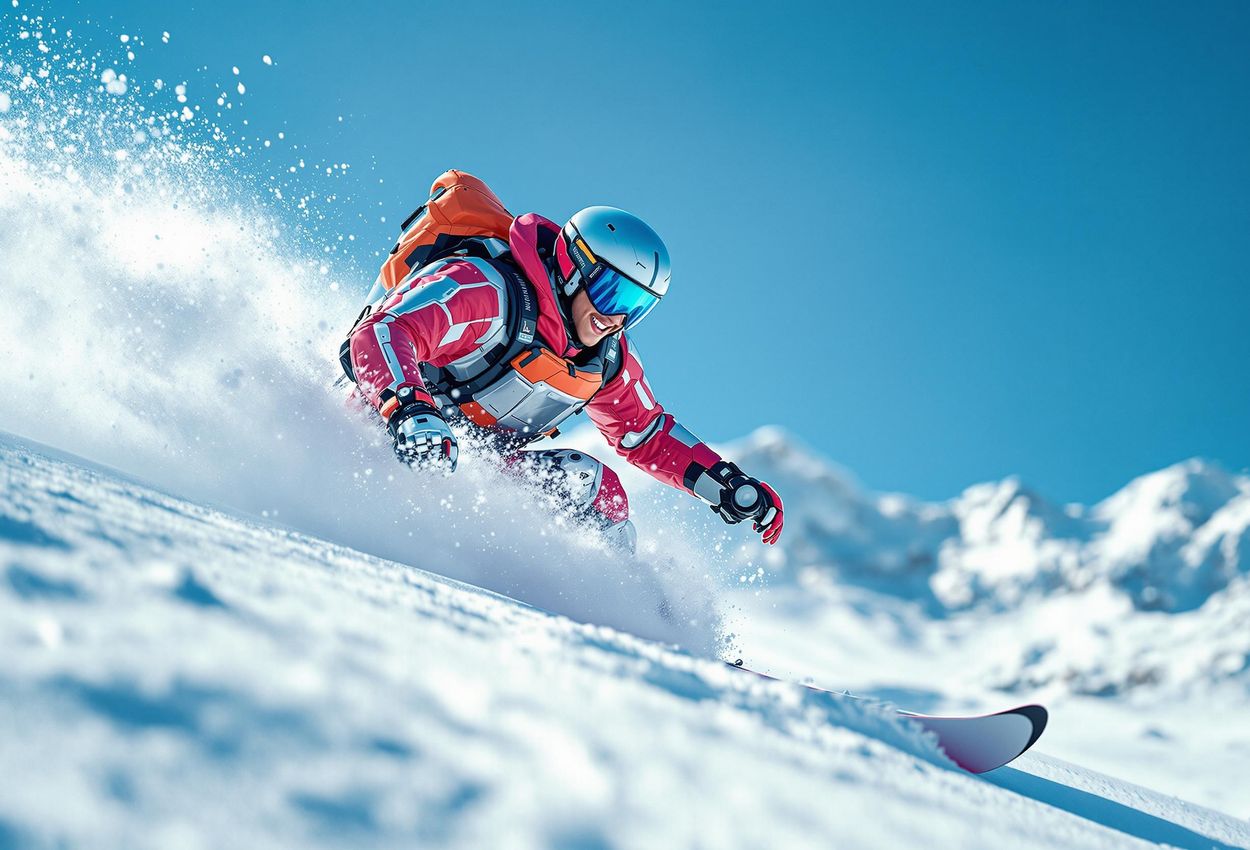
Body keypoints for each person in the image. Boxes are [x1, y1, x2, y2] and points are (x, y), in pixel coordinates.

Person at [342, 170, 783, 552]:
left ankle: (621, 614)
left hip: (473, 472)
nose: (616, 318)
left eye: (636, 307)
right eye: (613, 293)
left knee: (596, 490)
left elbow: (646, 433)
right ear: (574, 267)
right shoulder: (490, 291)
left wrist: (724, 484)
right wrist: (410, 410)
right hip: (386, 427)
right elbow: (381, 331)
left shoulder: (605, 361)